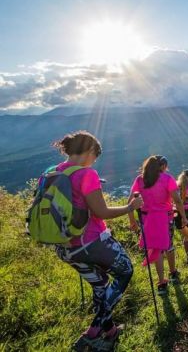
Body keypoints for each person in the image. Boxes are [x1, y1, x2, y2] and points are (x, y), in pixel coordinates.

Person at [51, 131, 143, 349]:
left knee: (101, 286)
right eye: (95, 156)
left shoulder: (53, 173)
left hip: (65, 248)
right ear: (90, 151)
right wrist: (130, 207)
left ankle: (109, 332)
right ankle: (94, 331)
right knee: (125, 271)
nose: (94, 161)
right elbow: (100, 212)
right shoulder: (86, 174)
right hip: (92, 244)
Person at [129, 155, 188, 296]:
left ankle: (162, 283)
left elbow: (130, 200)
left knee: (155, 249)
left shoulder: (140, 179)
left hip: (146, 219)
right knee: (168, 244)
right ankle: (173, 273)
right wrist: (184, 217)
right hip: (165, 217)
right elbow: (178, 200)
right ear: (162, 167)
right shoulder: (167, 178)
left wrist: (132, 221)